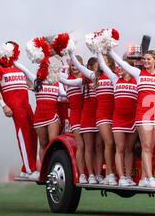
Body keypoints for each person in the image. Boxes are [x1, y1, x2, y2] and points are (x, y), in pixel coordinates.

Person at [109, 49, 155, 188]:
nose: (146, 61)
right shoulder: (138, 73)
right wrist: (110, 50)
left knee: (151, 148)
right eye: (144, 59)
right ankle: (150, 178)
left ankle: (143, 178)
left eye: (149, 59)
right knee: (146, 147)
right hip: (143, 115)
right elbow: (120, 63)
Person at [0, 41, 38, 180]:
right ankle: (30, 170)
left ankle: (27, 167)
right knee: (23, 136)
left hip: (27, 106)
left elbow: (31, 85)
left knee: (34, 135)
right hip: (15, 108)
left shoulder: (19, 69)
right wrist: (4, 106)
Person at [70, 51, 116, 185]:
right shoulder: (91, 77)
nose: (100, 65)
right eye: (98, 64)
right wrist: (71, 52)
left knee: (99, 146)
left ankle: (98, 174)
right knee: (88, 146)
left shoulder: (114, 76)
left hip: (105, 114)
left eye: (103, 62)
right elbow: (79, 67)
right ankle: (89, 174)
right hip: (90, 116)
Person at [97, 52, 138, 187]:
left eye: (122, 67)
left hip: (132, 119)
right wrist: (100, 50)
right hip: (119, 119)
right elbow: (103, 64)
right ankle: (121, 177)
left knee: (129, 149)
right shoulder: (115, 79)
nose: (119, 69)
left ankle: (128, 176)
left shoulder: (137, 80)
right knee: (119, 148)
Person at [14, 60, 65, 161]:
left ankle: (52, 164)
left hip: (52, 116)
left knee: (53, 143)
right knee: (43, 144)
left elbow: (64, 95)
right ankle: (43, 169)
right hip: (39, 117)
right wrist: (12, 59)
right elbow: (24, 69)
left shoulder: (58, 83)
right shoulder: (36, 80)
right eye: (45, 68)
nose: (48, 70)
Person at [58, 55, 87, 184]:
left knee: (91, 146)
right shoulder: (67, 80)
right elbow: (63, 93)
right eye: (73, 66)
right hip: (75, 115)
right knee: (80, 145)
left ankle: (92, 173)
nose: (75, 68)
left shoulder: (85, 79)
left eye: (77, 65)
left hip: (87, 115)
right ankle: (81, 174)